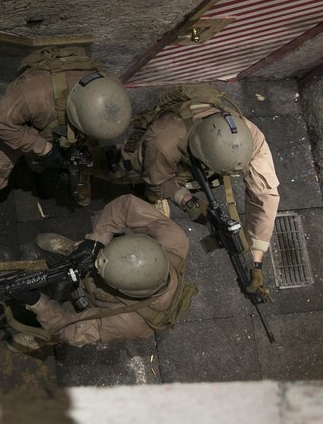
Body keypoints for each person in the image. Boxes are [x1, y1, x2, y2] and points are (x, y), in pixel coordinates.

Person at [117, 85, 279, 292]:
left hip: (197, 150)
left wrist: (257, 258)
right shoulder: (163, 143)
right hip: (162, 153)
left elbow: (265, 196)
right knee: (128, 171)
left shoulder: (248, 138)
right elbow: (158, 180)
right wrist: (185, 199)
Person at [7, 194, 197, 350]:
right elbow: (126, 205)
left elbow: (69, 330)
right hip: (115, 266)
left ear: (118, 289)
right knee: (89, 251)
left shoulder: (125, 321)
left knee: (62, 330)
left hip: (99, 307)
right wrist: (97, 242)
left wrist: (36, 301)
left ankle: (41, 339)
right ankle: (78, 250)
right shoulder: (175, 240)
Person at [0, 46, 132, 200]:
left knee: (86, 155)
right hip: (23, 119)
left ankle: (55, 160)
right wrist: (44, 148)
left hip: (64, 120)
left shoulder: (111, 88)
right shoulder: (34, 93)